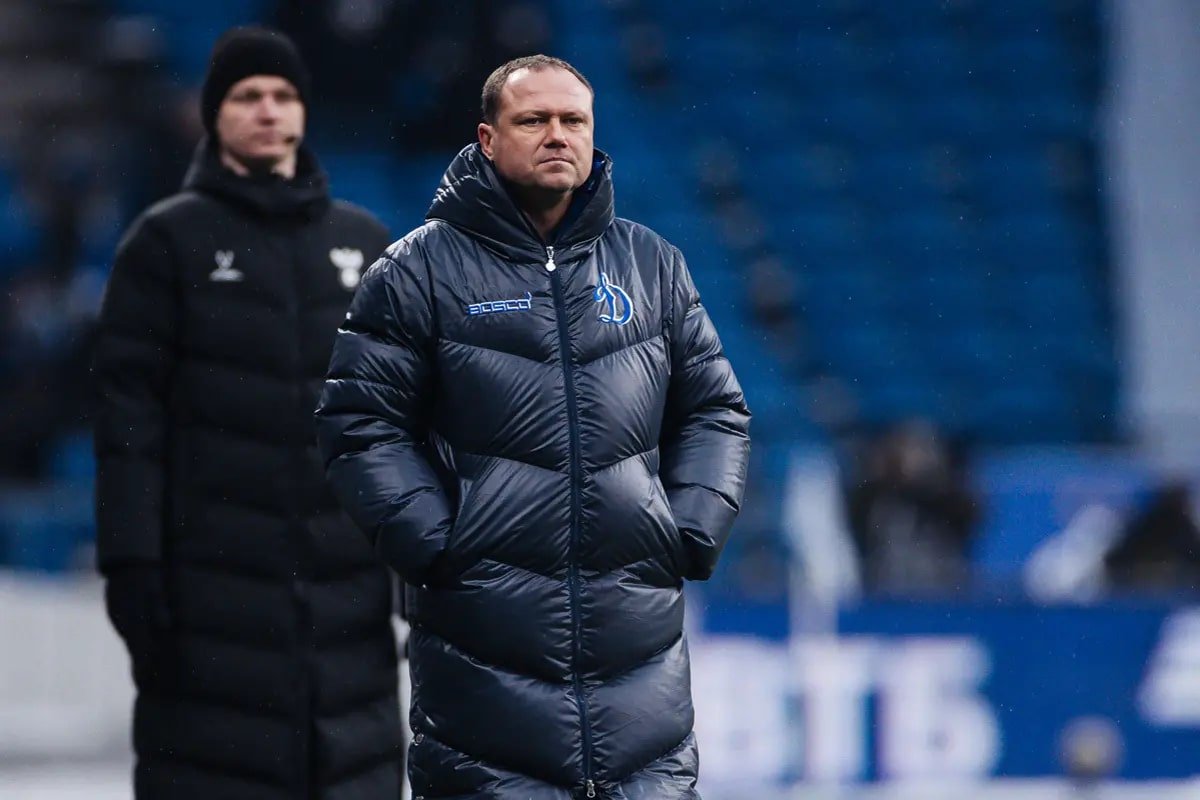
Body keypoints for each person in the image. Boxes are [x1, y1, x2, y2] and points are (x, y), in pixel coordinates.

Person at [315, 54, 751, 798]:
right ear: (488, 139)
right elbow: (360, 422)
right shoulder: (418, 270)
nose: (557, 135)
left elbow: (715, 410)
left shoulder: (652, 265)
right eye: (534, 120)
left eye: (573, 120)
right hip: (483, 645)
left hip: (638, 653)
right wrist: (439, 545)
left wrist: (687, 528)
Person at [93, 27, 404, 799]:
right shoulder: (164, 243)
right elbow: (128, 424)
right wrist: (131, 563)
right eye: (247, 96)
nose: (268, 109)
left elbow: (399, 421)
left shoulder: (365, 243)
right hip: (210, 602)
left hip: (348, 608)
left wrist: (415, 560)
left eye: (284, 95)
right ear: (214, 115)